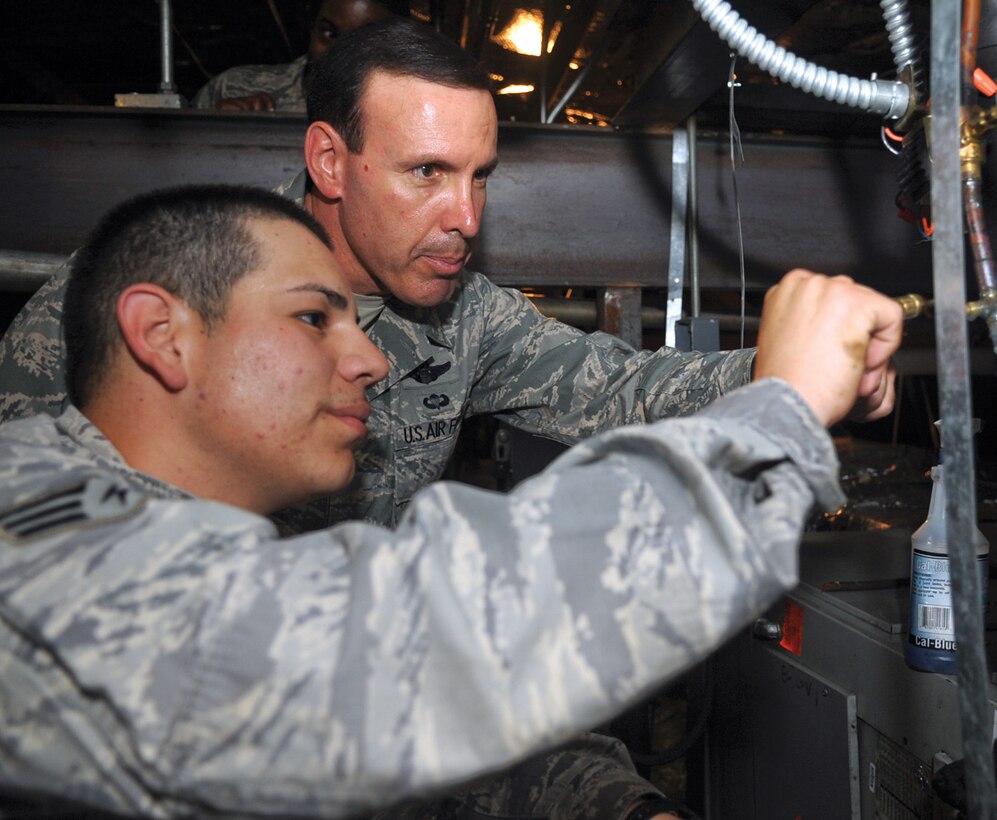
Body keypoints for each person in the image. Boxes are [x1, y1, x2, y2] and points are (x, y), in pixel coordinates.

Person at [0, 18, 897, 820]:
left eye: (480, 178)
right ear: (327, 162)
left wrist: (793, 368)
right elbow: (358, 652)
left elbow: (613, 387)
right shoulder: (92, 377)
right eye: (426, 172)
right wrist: (772, 419)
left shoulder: (460, 316)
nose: (464, 217)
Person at [191, 0, 408, 112]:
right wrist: (218, 127)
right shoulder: (231, 87)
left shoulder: (405, 111)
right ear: (311, 29)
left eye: (363, 41)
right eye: (329, 34)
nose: (339, 54)